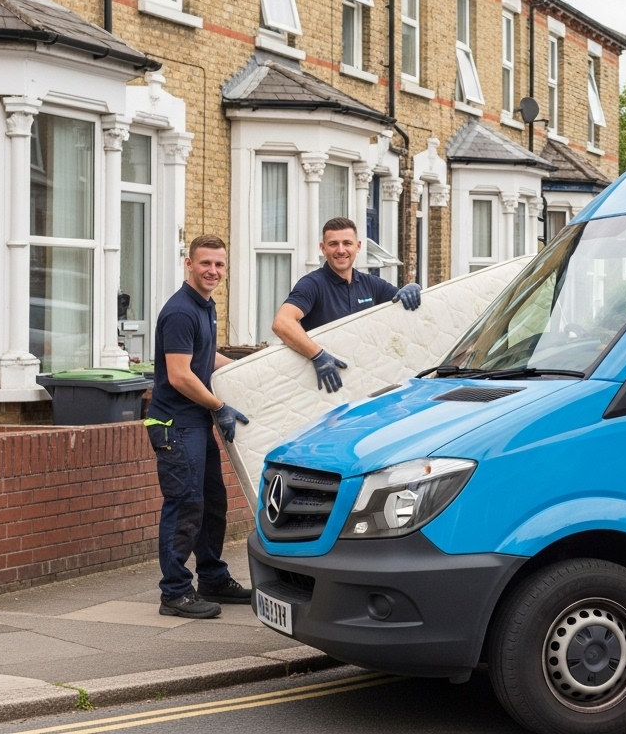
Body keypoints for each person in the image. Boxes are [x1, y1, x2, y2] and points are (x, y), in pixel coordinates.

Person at [145, 235, 252, 619]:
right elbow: (179, 375)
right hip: (175, 425)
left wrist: (257, 367)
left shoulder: (206, 306)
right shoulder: (180, 311)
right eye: (205, 263)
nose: (212, 271)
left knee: (213, 505)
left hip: (195, 423)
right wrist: (219, 405)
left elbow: (205, 358)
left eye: (219, 265)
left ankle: (212, 578)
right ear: (188, 264)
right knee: (185, 505)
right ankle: (174, 593)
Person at [272, 217, 423, 392]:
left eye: (347, 243)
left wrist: (414, 288)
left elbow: (402, 306)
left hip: (368, 379)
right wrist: (318, 355)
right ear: (323, 248)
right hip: (329, 381)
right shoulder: (312, 284)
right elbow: (282, 323)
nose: (341, 250)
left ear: (358, 246)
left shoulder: (371, 284)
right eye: (333, 244)